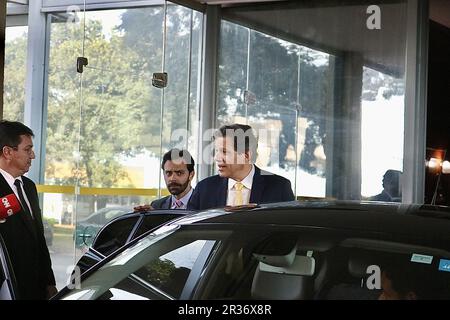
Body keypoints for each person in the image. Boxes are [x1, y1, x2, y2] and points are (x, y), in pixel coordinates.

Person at [0, 120, 57, 299]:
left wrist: (49, 282)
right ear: (7, 152)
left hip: (36, 290)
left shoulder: (29, 187)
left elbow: (38, 238)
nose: (32, 155)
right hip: (8, 289)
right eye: (27, 149)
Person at [188, 123, 295, 210]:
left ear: (246, 155)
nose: (217, 157)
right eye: (217, 151)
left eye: (224, 152)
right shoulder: (204, 189)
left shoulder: (280, 188)